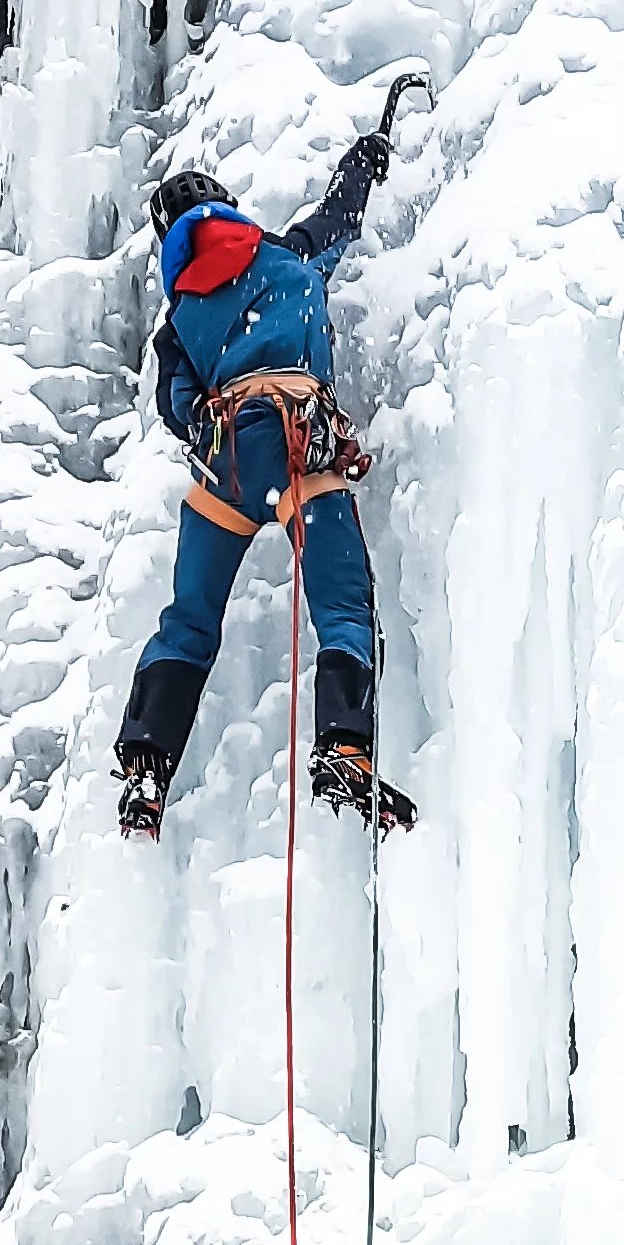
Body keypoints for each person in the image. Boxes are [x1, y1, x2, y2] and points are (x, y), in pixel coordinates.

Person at [112, 112, 423, 846]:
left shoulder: (179, 317)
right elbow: (337, 220)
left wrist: (221, 424)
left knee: (189, 622)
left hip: (226, 468)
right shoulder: (284, 255)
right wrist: (364, 161)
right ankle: (343, 745)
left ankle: (147, 764)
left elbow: (177, 408)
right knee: (342, 603)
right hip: (297, 450)